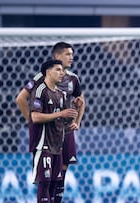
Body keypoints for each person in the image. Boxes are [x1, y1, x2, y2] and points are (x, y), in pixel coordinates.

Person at [16, 42, 85, 203]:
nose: (71, 57)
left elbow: (81, 100)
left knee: (61, 171)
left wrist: (77, 121)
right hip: (47, 131)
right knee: (45, 178)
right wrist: (32, 121)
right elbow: (20, 99)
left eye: (72, 54)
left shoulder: (73, 78)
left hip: (65, 130)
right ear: (57, 56)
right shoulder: (41, 78)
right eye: (67, 54)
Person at [30, 59, 78, 203]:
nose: (62, 73)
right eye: (58, 69)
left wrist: (74, 111)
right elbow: (35, 117)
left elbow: (63, 120)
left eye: (62, 70)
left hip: (58, 147)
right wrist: (60, 114)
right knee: (44, 183)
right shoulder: (40, 91)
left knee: (56, 185)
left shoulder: (61, 94)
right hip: (43, 145)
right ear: (48, 72)